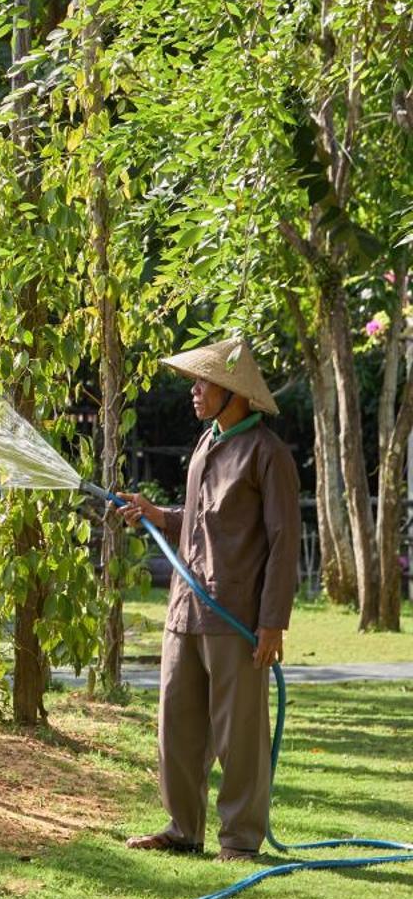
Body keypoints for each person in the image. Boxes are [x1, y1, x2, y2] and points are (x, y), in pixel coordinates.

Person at [115, 337, 300, 864]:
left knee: (238, 734)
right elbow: (195, 521)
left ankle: (239, 840)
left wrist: (272, 624)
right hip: (185, 612)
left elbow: (285, 544)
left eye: (204, 383)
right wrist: (155, 514)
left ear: (233, 393)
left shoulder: (268, 455)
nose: (195, 392)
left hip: (236, 618)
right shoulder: (205, 443)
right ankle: (182, 828)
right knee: (177, 724)